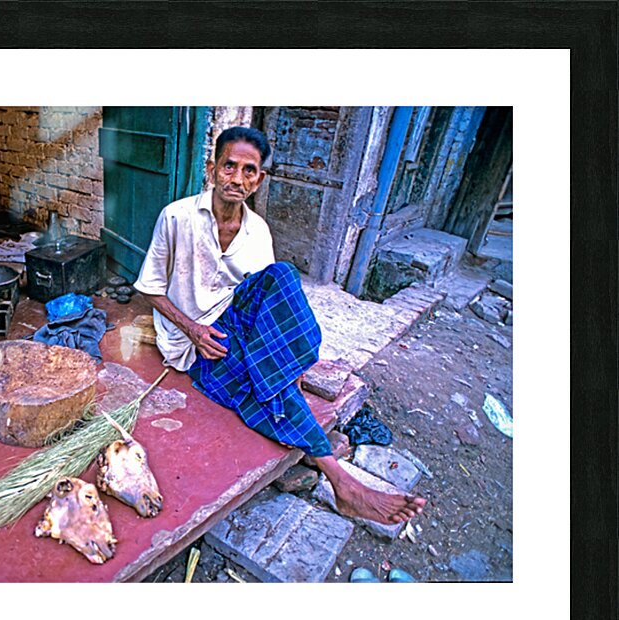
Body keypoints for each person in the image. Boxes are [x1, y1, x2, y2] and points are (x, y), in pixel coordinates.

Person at [133, 126, 425, 525]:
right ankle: (341, 481)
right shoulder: (177, 217)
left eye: (248, 171)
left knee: (283, 276)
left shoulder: (258, 231)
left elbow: (270, 300)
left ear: (259, 180)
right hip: (194, 340)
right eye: (229, 166)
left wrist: (282, 355)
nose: (237, 179)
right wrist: (192, 330)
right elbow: (149, 289)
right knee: (254, 378)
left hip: (234, 318)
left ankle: (293, 382)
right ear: (212, 169)